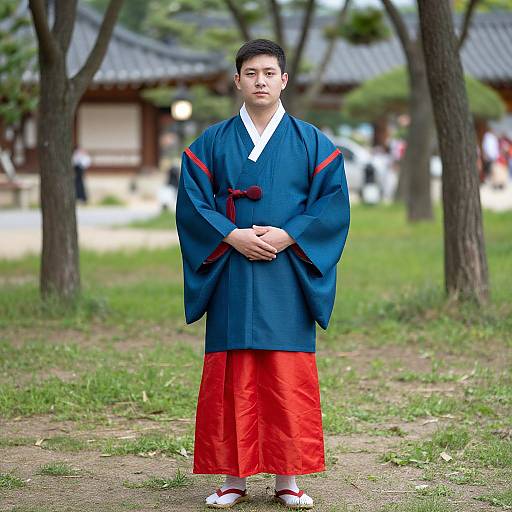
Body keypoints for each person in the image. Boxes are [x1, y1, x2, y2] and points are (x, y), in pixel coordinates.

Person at [175, 39, 350, 509]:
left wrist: (288, 235)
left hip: (285, 271)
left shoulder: (313, 142)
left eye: (269, 73)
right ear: (237, 80)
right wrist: (231, 235)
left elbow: (331, 203)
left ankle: (288, 478)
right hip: (232, 267)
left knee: (284, 373)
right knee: (234, 372)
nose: (260, 81)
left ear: (284, 80)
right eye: (250, 73)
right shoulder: (210, 142)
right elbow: (192, 202)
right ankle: (233, 477)